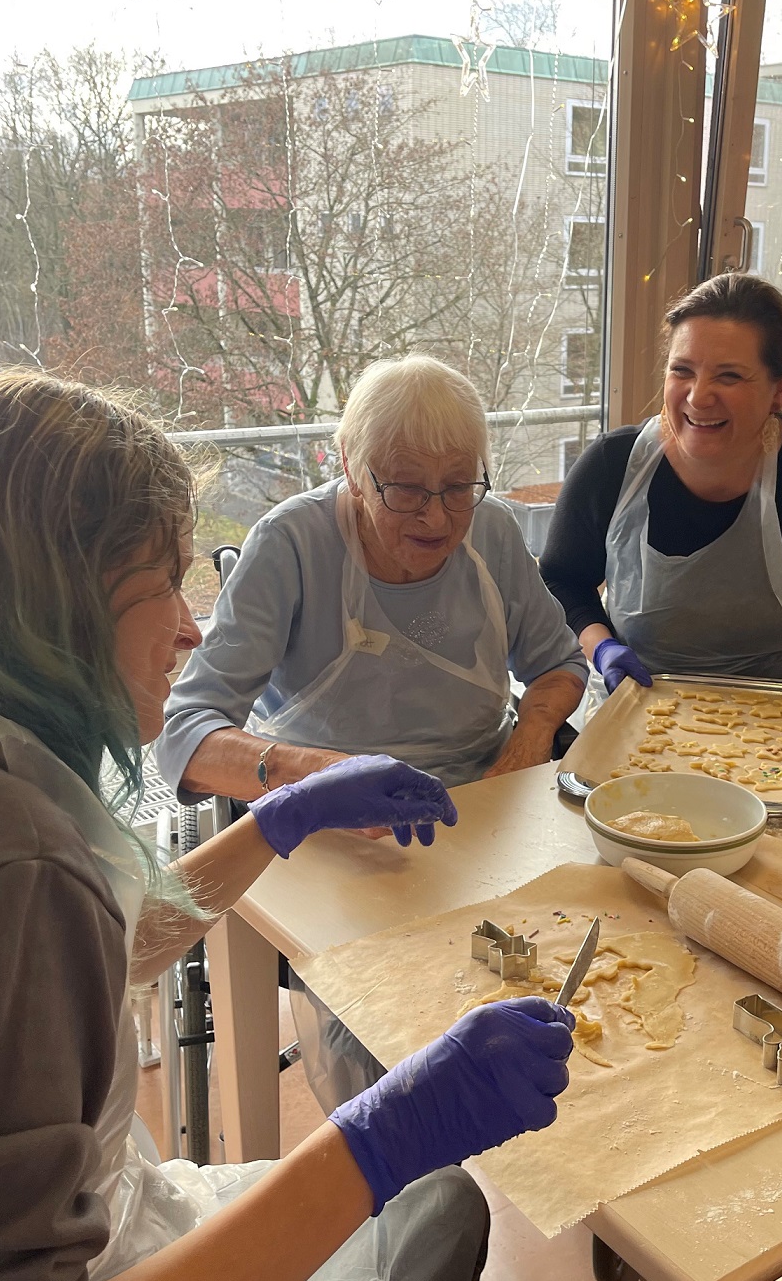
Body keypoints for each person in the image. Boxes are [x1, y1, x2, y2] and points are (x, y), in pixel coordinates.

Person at [0, 370, 637, 1281]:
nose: (190, 628)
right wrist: (379, 1132)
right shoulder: (2, 858)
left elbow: (98, 948)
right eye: (163, 583)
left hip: (83, 1265)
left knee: (442, 1198)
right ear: (51, 597)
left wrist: (277, 820)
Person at [155, 354, 587, 1108]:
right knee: (387, 1047)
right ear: (351, 469)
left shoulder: (492, 530)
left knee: (564, 981)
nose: (437, 518)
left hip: (483, 812)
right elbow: (184, 734)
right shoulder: (291, 544)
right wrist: (319, 780)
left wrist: (520, 753)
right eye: (406, 489)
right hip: (335, 836)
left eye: (458, 485)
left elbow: (557, 665)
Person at [539, 273, 782, 702]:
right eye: (682, 371)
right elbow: (562, 579)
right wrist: (602, 648)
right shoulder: (610, 466)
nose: (698, 397)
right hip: (642, 700)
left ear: (780, 388)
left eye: (729, 376)